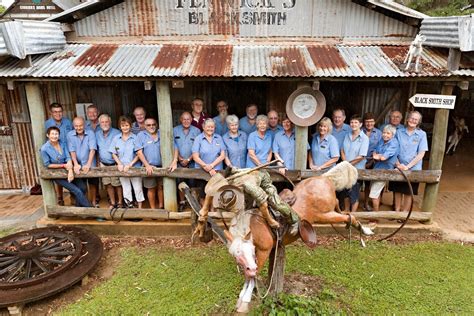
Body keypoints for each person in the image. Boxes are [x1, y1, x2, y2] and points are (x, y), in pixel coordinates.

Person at [40, 126, 91, 207]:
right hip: (57, 175)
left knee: (83, 187)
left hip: (68, 170)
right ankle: (91, 210)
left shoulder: (62, 144)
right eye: (52, 134)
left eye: (56, 134)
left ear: (59, 135)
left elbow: (68, 157)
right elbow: (47, 164)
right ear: (48, 135)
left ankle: (78, 209)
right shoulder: (44, 149)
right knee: (76, 191)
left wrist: (70, 170)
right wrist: (63, 165)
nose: (54, 136)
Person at [392, 111, 428, 212]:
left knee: (408, 191)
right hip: (398, 166)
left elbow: (421, 153)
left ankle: (404, 213)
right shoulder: (399, 132)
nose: (413, 121)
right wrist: (398, 164)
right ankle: (397, 211)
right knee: (397, 190)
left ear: (418, 122)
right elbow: (393, 149)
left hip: (413, 168)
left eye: (416, 119)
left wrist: (408, 167)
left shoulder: (421, 134)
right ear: (407, 119)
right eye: (411, 118)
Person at [110, 116, 145, 209]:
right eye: (123, 125)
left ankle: (140, 209)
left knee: (137, 188)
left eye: (127, 125)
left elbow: (139, 153)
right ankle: (129, 208)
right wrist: (119, 164)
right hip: (122, 169)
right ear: (120, 126)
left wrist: (130, 164)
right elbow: (113, 153)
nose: (125, 127)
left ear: (130, 126)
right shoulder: (116, 138)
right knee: (126, 189)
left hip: (134, 167)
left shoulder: (135, 138)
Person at [44, 102, 73, 206]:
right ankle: (60, 197)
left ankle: (72, 195)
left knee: (71, 172)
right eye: (55, 112)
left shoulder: (68, 122)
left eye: (60, 111)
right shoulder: (47, 123)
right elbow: (46, 139)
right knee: (59, 176)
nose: (58, 114)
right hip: (56, 151)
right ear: (51, 113)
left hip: (68, 151)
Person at [67, 117, 98, 207]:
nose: (79, 128)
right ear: (73, 126)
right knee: (82, 185)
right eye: (76, 126)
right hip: (78, 163)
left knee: (92, 183)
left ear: (84, 125)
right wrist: (76, 164)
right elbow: (72, 151)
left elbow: (92, 149)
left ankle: (93, 202)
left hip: (90, 162)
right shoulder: (70, 135)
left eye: (80, 125)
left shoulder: (90, 133)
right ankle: (85, 203)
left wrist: (88, 164)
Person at [341, 115, 369, 212]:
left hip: (357, 169)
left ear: (360, 124)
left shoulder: (364, 138)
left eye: (356, 122)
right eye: (352, 122)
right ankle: (346, 211)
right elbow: (342, 150)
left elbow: (361, 156)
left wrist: (348, 164)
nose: (353, 124)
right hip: (346, 168)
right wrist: (345, 162)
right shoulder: (347, 135)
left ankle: (353, 215)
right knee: (346, 192)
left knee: (354, 193)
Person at [369, 125, 399, 213]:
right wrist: (376, 155)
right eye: (384, 132)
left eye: (388, 133)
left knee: (374, 194)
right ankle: (376, 213)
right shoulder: (382, 140)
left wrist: (377, 156)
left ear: (392, 135)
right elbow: (375, 150)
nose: (385, 135)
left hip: (385, 171)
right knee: (375, 193)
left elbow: (383, 158)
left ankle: (374, 218)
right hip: (377, 169)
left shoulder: (394, 143)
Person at [192, 119, 226, 198]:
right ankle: (204, 210)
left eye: (212, 127)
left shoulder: (219, 138)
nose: (210, 129)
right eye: (208, 127)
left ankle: (213, 210)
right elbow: (195, 156)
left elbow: (223, 155)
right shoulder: (198, 139)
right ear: (203, 127)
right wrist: (206, 167)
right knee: (203, 195)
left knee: (216, 194)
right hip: (201, 171)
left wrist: (211, 166)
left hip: (216, 171)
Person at [137, 118, 164, 209]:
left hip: (162, 166)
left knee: (161, 187)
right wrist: (147, 165)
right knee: (151, 188)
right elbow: (139, 152)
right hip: (149, 166)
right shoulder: (141, 135)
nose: (151, 126)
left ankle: (161, 206)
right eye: (148, 125)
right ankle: (153, 209)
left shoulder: (161, 133)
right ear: (144, 126)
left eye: (153, 124)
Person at [96, 114, 122, 209]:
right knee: (108, 184)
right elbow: (97, 149)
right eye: (102, 122)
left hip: (115, 163)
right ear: (99, 123)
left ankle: (120, 202)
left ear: (110, 122)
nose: (104, 124)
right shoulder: (97, 134)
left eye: (106, 121)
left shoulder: (117, 133)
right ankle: (113, 202)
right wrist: (98, 162)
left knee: (117, 184)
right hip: (103, 164)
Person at [362, 112, 382, 212]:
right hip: (360, 161)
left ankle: (366, 203)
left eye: (371, 122)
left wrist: (371, 161)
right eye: (367, 122)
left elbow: (379, 149)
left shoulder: (378, 133)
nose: (369, 124)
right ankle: (354, 203)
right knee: (355, 184)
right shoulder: (360, 131)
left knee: (368, 185)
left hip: (373, 162)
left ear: (374, 122)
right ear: (364, 122)